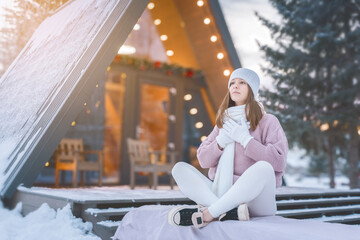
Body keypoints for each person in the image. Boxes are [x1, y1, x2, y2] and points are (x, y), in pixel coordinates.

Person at [167, 68, 288, 228]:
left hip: (256, 200)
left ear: (252, 89)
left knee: (264, 168)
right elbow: (203, 159)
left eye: (242, 82)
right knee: (179, 168)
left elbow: (278, 161)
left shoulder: (268, 121)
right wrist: (220, 142)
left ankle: (209, 213)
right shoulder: (224, 123)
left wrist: (246, 139)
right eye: (232, 83)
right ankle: (229, 212)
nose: (235, 86)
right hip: (223, 192)